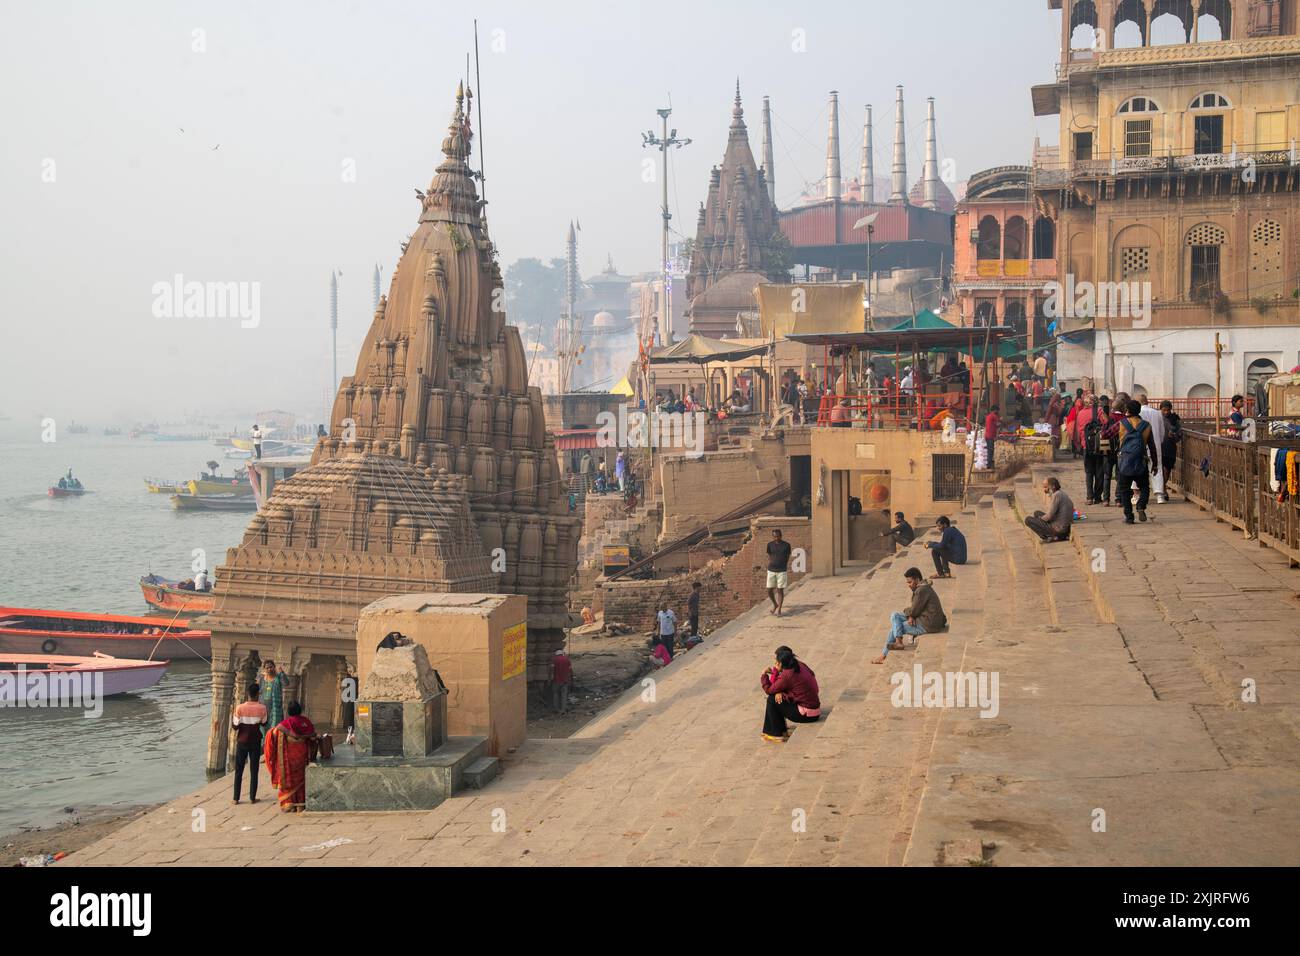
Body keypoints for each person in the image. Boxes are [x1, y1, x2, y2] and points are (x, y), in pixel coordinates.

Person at [873, 568, 946, 664]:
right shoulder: (923, 587)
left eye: (910, 582)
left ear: (917, 580)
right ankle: (898, 641)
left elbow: (913, 610)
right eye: (907, 583)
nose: (909, 585)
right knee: (895, 615)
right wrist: (912, 615)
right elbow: (915, 609)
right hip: (924, 617)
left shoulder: (921, 590)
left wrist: (911, 613)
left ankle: (884, 655)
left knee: (894, 629)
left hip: (928, 624)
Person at [760, 646, 821, 742]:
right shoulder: (800, 665)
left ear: (781, 663)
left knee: (772, 699)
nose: (774, 664)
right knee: (777, 696)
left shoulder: (787, 674)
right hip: (815, 710)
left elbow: (769, 690)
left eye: (776, 662)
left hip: (806, 715)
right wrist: (779, 691)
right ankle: (781, 730)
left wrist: (764, 675)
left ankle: (775, 733)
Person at [263, 700, 315, 812]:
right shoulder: (306, 722)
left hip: (289, 757)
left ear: (289, 711)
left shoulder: (287, 723)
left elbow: (276, 730)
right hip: (303, 755)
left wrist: (291, 735)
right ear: (300, 710)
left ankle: (289, 803)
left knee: (288, 779)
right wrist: (303, 736)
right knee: (301, 779)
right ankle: (301, 804)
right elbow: (312, 735)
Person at [1116, 398, 1159, 524]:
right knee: (1145, 487)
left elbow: (1106, 434)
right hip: (1141, 461)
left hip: (1125, 462)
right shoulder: (1146, 425)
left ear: (1127, 410)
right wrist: (1155, 464)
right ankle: (1141, 506)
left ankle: (1129, 516)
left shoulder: (1122, 423)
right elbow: (1152, 446)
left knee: (1124, 490)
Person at [231, 682, 268, 805]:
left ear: (248, 694)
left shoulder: (240, 708)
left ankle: (236, 798)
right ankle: (252, 797)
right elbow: (264, 723)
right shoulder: (262, 708)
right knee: (254, 770)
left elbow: (235, 726)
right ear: (258, 694)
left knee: (239, 770)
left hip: (242, 741)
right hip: (255, 741)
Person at [1137, 395, 1168, 503]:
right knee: (1157, 468)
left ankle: (1136, 495)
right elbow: (1162, 431)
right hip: (1155, 445)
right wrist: (1159, 442)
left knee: (1137, 468)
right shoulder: (1157, 413)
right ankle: (1160, 495)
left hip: (1139, 445)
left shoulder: (1137, 413)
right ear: (1147, 401)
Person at [1025, 476, 1075, 541]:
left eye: (1046, 487)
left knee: (1028, 520)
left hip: (1059, 529)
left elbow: (1049, 515)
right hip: (1063, 526)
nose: (1045, 490)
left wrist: (1039, 520)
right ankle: (1050, 536)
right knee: (1036, 513)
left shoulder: (1056, 495)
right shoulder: (1061, 493)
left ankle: (1049, 537)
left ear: (1053, 486)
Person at [1078, 395, 1106, 504]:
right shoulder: (1099, 411)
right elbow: (1105, 423)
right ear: (1095, 402)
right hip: (1098, 446)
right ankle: (1098, 497)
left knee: (1089, 472)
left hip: (1086, 446)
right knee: (1099, 471)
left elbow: (1078, 431)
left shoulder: (1080, 413)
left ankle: (1089, 497)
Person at [765, 528, 792, 616]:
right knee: (769, 590)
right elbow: (769, 555)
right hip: (771, 570)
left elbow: (787, 556)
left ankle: (779, 609)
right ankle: (775, 604)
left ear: (781, 536)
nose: (776, 538)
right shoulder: (770, 545)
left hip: (781, 570)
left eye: (778, 536)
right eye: (775, 536)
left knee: (780, 590)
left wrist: (783, 565)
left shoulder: (786, 545)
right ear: (772, 537)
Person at [1159, 400, 1183, 492]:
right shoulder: (1157, 418)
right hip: (1159, 447)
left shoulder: (1175, 419)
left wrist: (1174, 436)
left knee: (1168, 469)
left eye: (1168, 410)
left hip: (1170, 447)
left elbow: (1180, 433)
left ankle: (1163, 486)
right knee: (1160, 469)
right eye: (1164, 410)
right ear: (1160, 409)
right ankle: (1162, 488)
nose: (1166, 412)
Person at [259, 660, 287, 733]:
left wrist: (282, 673)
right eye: (267, 668)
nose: (269, 669)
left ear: (274, 667)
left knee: (274, 729)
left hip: (275, 708)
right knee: (262, 729)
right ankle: (263, 744)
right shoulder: (262, 678)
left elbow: (286, 683)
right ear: (264, 669)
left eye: (271, 667)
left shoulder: (278, 677)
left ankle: (272, 744)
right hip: (263, 707)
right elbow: (259, 691)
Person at [550, 647, 572, 714]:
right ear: (562, 652)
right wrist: (571, 678)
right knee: (564, 696)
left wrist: (549, 679)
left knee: (555, 694)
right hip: (565, 681)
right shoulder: (567, 660)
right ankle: (563, 709)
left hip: (556, 680)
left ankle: (556, 709)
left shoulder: (554, 660)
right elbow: (570, 670)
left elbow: (551, 670)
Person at [983, 404, 1000, 469]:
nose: (998, 412)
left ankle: (989, 463)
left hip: (987, 435)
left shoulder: (988, 416)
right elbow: (998, 424)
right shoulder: (994, 416)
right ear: (995, 410)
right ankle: (989, 465)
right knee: (991, 450)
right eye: (997, 410)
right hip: (990, 436)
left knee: (989, 450)